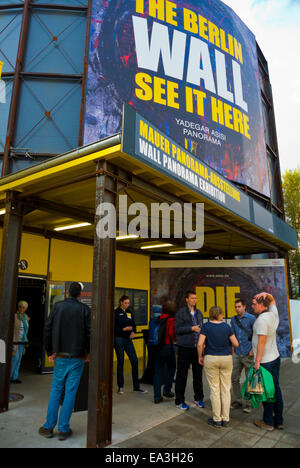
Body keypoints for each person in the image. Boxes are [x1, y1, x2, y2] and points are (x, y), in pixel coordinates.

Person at [39, 282, 91, 441]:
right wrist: (87, 353)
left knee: (56, 390)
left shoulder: (57, 306)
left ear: (68, 292)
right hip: (77, 357)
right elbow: (89, 333)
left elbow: (47, 328)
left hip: (60, 355)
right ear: (80, 294)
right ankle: (63, 429)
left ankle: (48, 426)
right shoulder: (85, 310)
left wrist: (49, 351)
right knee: (70, 392)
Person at [198, 306, 239, 428]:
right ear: (220, 314)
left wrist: (200, 356)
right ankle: (226, 419)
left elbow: (200, 344)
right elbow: (236, 343)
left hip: (211, 358)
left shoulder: (206, 327)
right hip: (226, 358)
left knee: (215, 390)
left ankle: (217, 419)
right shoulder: (226, 326)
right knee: (226, 389)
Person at [251, 292, 284, 432]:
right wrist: (268, 294)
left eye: (253, 303)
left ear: (261, 304)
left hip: (265, 362)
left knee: (267, 392)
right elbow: (273, 301)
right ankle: (279, 420)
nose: (252, 306)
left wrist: (257, 361)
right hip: (275, 358)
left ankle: (268, 422)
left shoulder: (261, 320)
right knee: (275, 389)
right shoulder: (273, 314)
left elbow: (261, 342)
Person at [175, 290, 204, 410]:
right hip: (184, 348)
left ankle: (198, 398)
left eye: (195, 298)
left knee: (198, 375)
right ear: (187, 299)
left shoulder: (199, 313)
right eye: (192, 298)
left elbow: (202, 328)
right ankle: (179, 401)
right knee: (182, 375)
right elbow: (177, 329)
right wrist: (191, 328)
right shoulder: (181, 313)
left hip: (197, 348)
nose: (194, 300)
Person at [114, 295, 147, 394]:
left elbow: (133, 325)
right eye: (125, 303)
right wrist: (123, 329)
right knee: (121, 362)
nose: (127, 305)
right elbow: (113, 328)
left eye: (128, 303)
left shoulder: (129, 312)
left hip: (128, 340)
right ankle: (120, 386)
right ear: (121, 302)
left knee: (134, 360)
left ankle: (136, 386)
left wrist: (133, 332)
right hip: (118, 339)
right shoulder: (116, 313)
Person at [231, 298, 256, 413]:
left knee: (249, 379)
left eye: (239, 306)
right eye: (236, 307)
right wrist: (232, 349)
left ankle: (248, 403)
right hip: (237, 353)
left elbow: (256, 335)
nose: (237, 309)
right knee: (234, 378)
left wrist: (252, 349)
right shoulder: (233, 319)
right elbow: (232, 335)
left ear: (244, 306)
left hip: (248, 353)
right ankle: (238, 400)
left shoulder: (252, 319)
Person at [153, 301, 177, 404]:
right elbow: (172, 334)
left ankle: (157, 396)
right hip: (167, 347)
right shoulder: (171, 320)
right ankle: (167, 390)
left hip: (156, 347)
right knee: (172, 368)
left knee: (157, 371)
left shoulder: (157, 319)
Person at [10, 301, 30, 384]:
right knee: (15, 358)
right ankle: (9, 377)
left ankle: (14, 377)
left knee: (19, 360)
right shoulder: (14, 316)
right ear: (18, 307)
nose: (21, 308)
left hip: (22, 340)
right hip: (15, 340)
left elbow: (26, 330)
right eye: (20, 307)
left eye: (23, 307)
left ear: (26, 308)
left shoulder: (26, 317)